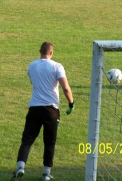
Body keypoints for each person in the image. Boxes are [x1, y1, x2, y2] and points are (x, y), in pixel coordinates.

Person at [10, 42, 74, 181]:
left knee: (27, 140)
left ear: (40, 51)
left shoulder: (32, 65)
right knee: (49, 142)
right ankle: (46, 173)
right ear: (51, 53)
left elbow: (34, 82)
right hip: (51, 110)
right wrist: (71, 103)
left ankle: (20, 167)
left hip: (34, 108)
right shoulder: (57, 66)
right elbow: (66, 88)